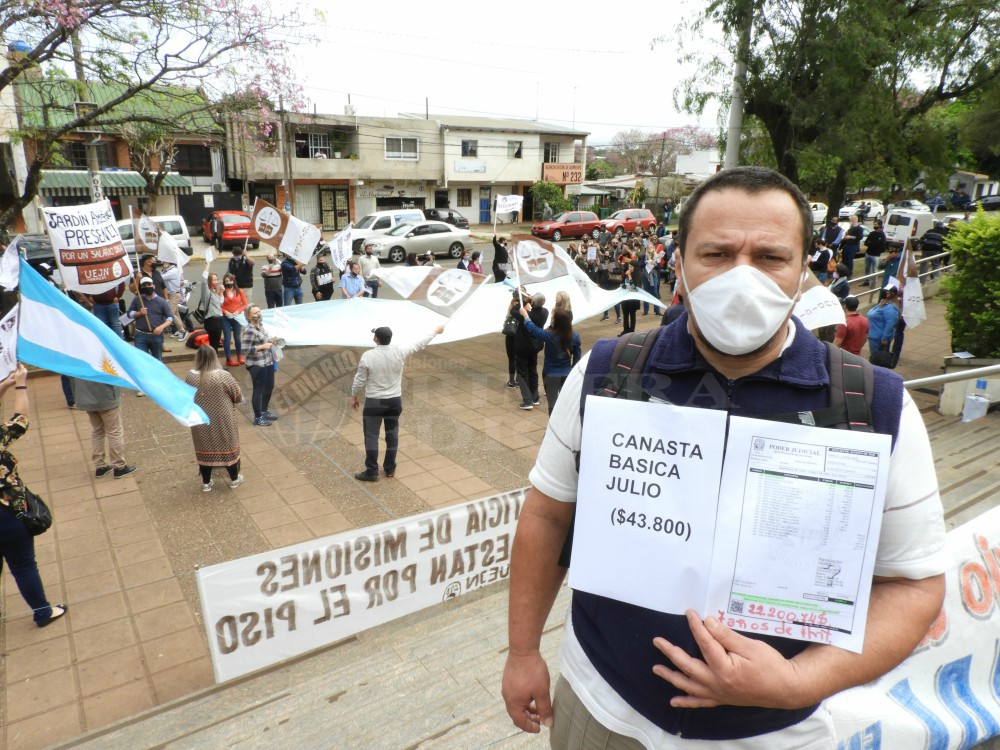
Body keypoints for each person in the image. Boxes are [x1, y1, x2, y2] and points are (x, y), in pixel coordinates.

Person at [502, 166, 946, 749]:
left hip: (773, 734)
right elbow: (547, 515)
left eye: (770, 257)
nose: (742, 277)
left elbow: (914, 586)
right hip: (602, 705)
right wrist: (522, 651)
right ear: (680, 264)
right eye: (716, 254)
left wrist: (797, 682)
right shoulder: (607, 373)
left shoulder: (876, 405)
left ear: (802, 272)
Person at [0, 364, 67, 626]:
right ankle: (42, 612)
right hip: (6, 513)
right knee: (23, 566)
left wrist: (5, 384)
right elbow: (20, 420)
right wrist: (20, 384)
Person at [351, 324, 445, 481]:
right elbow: (419, 343)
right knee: (392, 434)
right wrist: (435, 331)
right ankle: (390, 468)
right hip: (394, 401)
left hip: (374, 402)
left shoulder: (368, 356)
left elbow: (359, 379)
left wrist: (354, 396)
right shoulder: (400, 351)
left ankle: (372, 471)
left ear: (376, 339)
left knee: (371, 435)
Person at [185, 346, 244, 490]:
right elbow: (238, 397)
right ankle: (234, 479)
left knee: (203, 447)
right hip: (222, 419)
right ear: (214, 357)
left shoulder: (190, 376)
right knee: (227, 445)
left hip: (200, 419)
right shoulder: (223, 376)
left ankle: (206, 483)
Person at [518, 305, 581, 414]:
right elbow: (577, 359)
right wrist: (572, 373)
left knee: (552, 403)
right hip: (567, 374)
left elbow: (533, 330)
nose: (551, 320)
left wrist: (526, 316)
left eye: (553, 318)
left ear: (557, 321)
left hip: (550, 374)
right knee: (566, 403)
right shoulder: (575, 336)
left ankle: (553, 422)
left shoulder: (550, 336)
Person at [72, 378, 136, 478]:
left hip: (86, 399)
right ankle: (119, 467)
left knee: (97, 432)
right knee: (114, 432)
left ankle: (100, 466)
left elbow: (71, 378)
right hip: (107, 397)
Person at [240, 305, 279, 427]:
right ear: (249, 316)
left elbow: (264, 340)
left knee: (269, 386)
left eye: (259, 311)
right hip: (256, 364)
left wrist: (271, 341)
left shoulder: (260, 326)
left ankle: (264, 410)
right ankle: (258, 417)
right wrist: (262, 346)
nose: (259, 314)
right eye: (255, 313)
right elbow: (244, 350)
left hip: (267, 361)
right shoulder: (249, 330)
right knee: (259, 389)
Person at [512, 292, 548, 410]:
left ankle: (527, 401)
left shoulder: (527, 315)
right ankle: (534, 397)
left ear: (532, 302)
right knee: (533, 370)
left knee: (522, 373)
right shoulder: (545, 312)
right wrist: (532, 301)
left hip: (523, 347)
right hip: (535, 346)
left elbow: (513, 310)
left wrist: (525, 301)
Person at [127, 275, 173, 362]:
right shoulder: (138, 299)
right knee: (142, 360)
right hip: (140, 335)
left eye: (149, 284)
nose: (147, 287)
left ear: (153, 286)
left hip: (156, 335)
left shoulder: (162, 301)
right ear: (141, 287)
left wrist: (161, 327)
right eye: (144, 285)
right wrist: (139, 313)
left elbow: (170, 318)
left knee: (157, 360)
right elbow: (129, 314)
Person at [219, 272, 247, 367]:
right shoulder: (222, 292)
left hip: (237, 317)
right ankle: (229, 359)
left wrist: (238, 311)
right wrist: (225, 311)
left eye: (230, 281)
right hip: (225, 317)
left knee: (238, 338)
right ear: (224, 282)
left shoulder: (240, 291)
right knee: (227, 338)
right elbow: (218, 305)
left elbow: (245, 304)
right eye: (227, 281)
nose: (229, 282)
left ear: (233, 281)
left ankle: (239, 356)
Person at [867, 285, 901, 359]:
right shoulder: (884, 303)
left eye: (887, 292)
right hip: (874, 336)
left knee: (877, 359)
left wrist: (884, 338)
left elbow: (890, 324)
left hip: (878, 338)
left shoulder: (891, 307)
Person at [198, 261, 224, 352]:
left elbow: (220, 304)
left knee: (215, 344)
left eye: (216, 280)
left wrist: (221, 292)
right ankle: (212, 360)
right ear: (209, 281)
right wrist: (207, 266)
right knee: (213, 345)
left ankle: (213, 360)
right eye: (214, 280)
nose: (216, 282)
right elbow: (203, 281)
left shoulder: (214, 292)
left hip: (218, 320)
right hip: (212, 321)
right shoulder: (207, 292)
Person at [160, 261, 187, 340]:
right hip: (171, 294)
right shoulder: (169, 270)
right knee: (176, 314)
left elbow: (161, 277)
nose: (162, 263)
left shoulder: (173, 271)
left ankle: (183, 331)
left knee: (170, 314)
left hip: (174, 295)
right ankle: (180, 329)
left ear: (170, 262)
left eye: (165, 261)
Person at [862, 219, 886, 285]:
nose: (874, 226)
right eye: (874, 224)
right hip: (868, 253)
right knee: (867, 268)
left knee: (875, 270)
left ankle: (874, 283)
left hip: (875, 255)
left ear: (879, 225)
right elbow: (866, 243)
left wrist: (871, 243)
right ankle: (866, 281)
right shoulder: (872, 233)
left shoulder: (882, 235)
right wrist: (873, 243)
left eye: (876, 224)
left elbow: (880, 246)